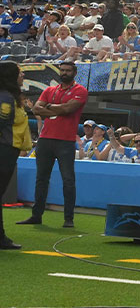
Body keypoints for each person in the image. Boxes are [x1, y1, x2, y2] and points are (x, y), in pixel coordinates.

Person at [18, 60, 87, 228]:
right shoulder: (50, 90)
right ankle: (36, 215)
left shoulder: (80, 90)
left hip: (65, 141)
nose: (64, 73)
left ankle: (68, 218)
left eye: (67, 70)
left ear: (74, 73)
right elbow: (36, 109)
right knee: (41, 179)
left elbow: (68, 109)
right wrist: (58, 108)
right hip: (46, 139)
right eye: (62, 70)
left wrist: (48, 107)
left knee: (68, 180)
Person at [0, 62, 30, 249]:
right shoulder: (6, 98)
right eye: (20, 73)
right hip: (4, 150)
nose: (23, 75)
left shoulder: (9, 96)